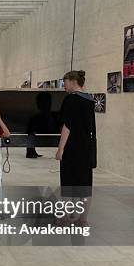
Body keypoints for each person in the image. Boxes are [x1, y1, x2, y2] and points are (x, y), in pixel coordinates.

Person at [56, 70, 96, 201]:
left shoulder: (70, 99)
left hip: (71, 146)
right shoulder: (90, 99)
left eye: (65, 83)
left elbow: (67, 126)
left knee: (68, 181)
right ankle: (82, 220)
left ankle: (66, 217)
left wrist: (60, 149)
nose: (64, 86)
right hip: (86, 146)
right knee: (84, 182)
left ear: (73, 82)